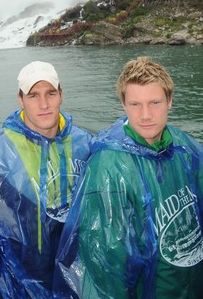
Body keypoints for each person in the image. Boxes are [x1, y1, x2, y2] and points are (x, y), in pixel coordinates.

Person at [53, 56, 203, 299]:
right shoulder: (108, 168)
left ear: (170, 101)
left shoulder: (185, 148)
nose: (145, 115)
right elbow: (105, 264)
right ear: (123, 105)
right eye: (135, 104)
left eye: (155, 102)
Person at [0, 61, 93, 298]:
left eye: (50, 93)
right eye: (33, 95)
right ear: (20, 100)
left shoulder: (83, 143)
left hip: (76, 279)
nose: (43, 104)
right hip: (21, 286)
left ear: (61, 95)